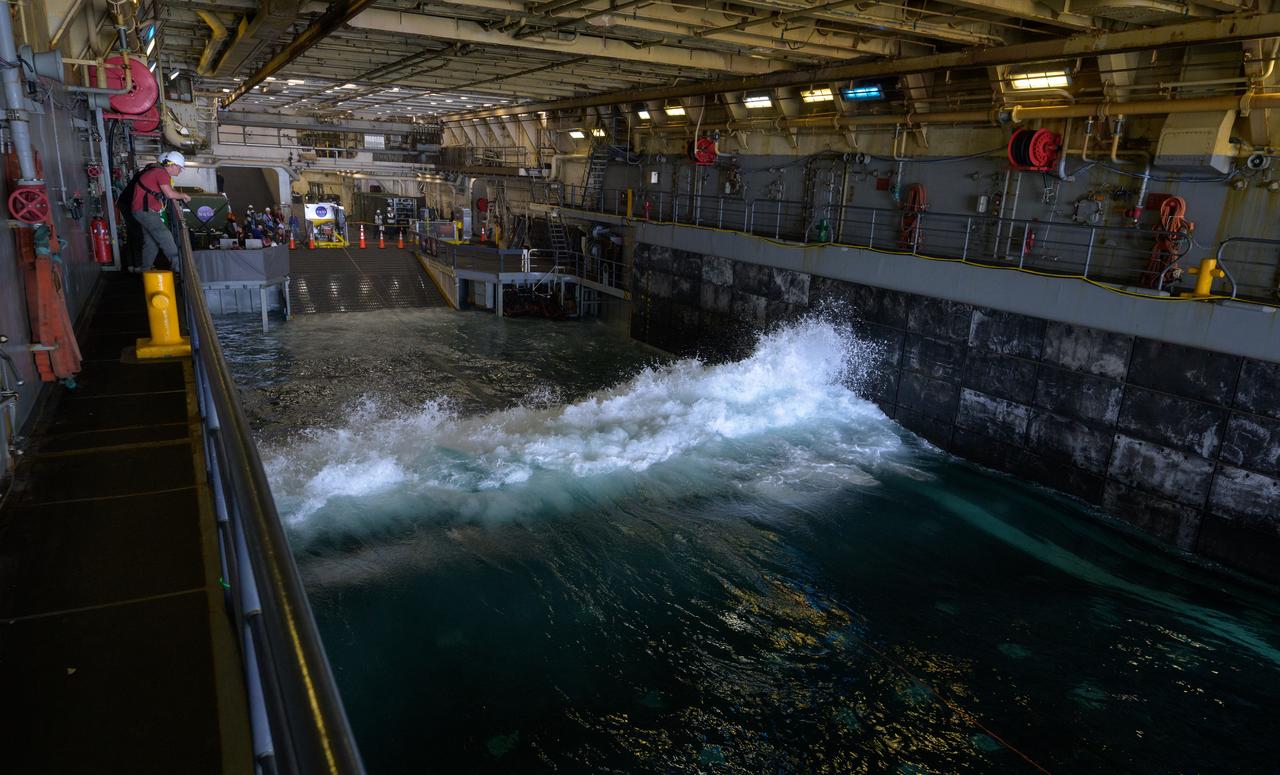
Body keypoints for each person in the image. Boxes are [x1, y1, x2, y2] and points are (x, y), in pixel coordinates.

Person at [127, 151, 191, 272]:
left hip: (141, 210)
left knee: (152, 242)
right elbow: (170, 193)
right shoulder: (161, 173)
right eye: (180, 168)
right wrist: (184, 196)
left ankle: (145, 270)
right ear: (173, 166)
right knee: (164, 235)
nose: (180, 171)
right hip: (145, 211)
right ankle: (179, 268)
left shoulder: (157, 171)